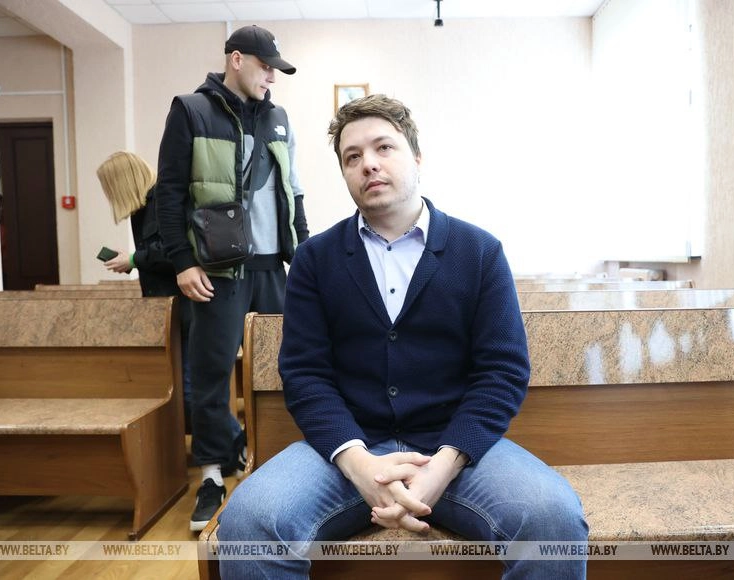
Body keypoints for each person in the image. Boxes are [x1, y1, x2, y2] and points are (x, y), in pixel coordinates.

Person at [218, 94, 588, 578]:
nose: (368, 164)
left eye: (383, 148)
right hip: (347, 452)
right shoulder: (314, 259)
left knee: (553, 519)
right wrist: (359, 464)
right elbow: (306, 374)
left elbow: (502, 372)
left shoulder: (479, 252)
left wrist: (443, 467)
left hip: (456, 451)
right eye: (352, 157)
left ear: (416, 156)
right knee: (248, 522)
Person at [154, 25, 309, 532]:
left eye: (276, 70)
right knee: (211, 374)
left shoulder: (279, 119)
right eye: (266, 67)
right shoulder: (191, 111)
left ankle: (285, 463)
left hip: (272, 266)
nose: (272, 78)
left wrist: (305, 256)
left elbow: (294, 190)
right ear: (236, 60)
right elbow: (169, 195)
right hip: (217, 270)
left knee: (288, 371)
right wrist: (182, 262)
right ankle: (212, 475)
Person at [96, 151, 193, 434]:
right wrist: (131, 261)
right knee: (180, 384)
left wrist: (135, 259)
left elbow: (175, 251)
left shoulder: (162, 202)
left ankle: (218, 450)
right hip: (165, 307)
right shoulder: (143, 208)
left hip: (185, 306)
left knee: (189, 387)